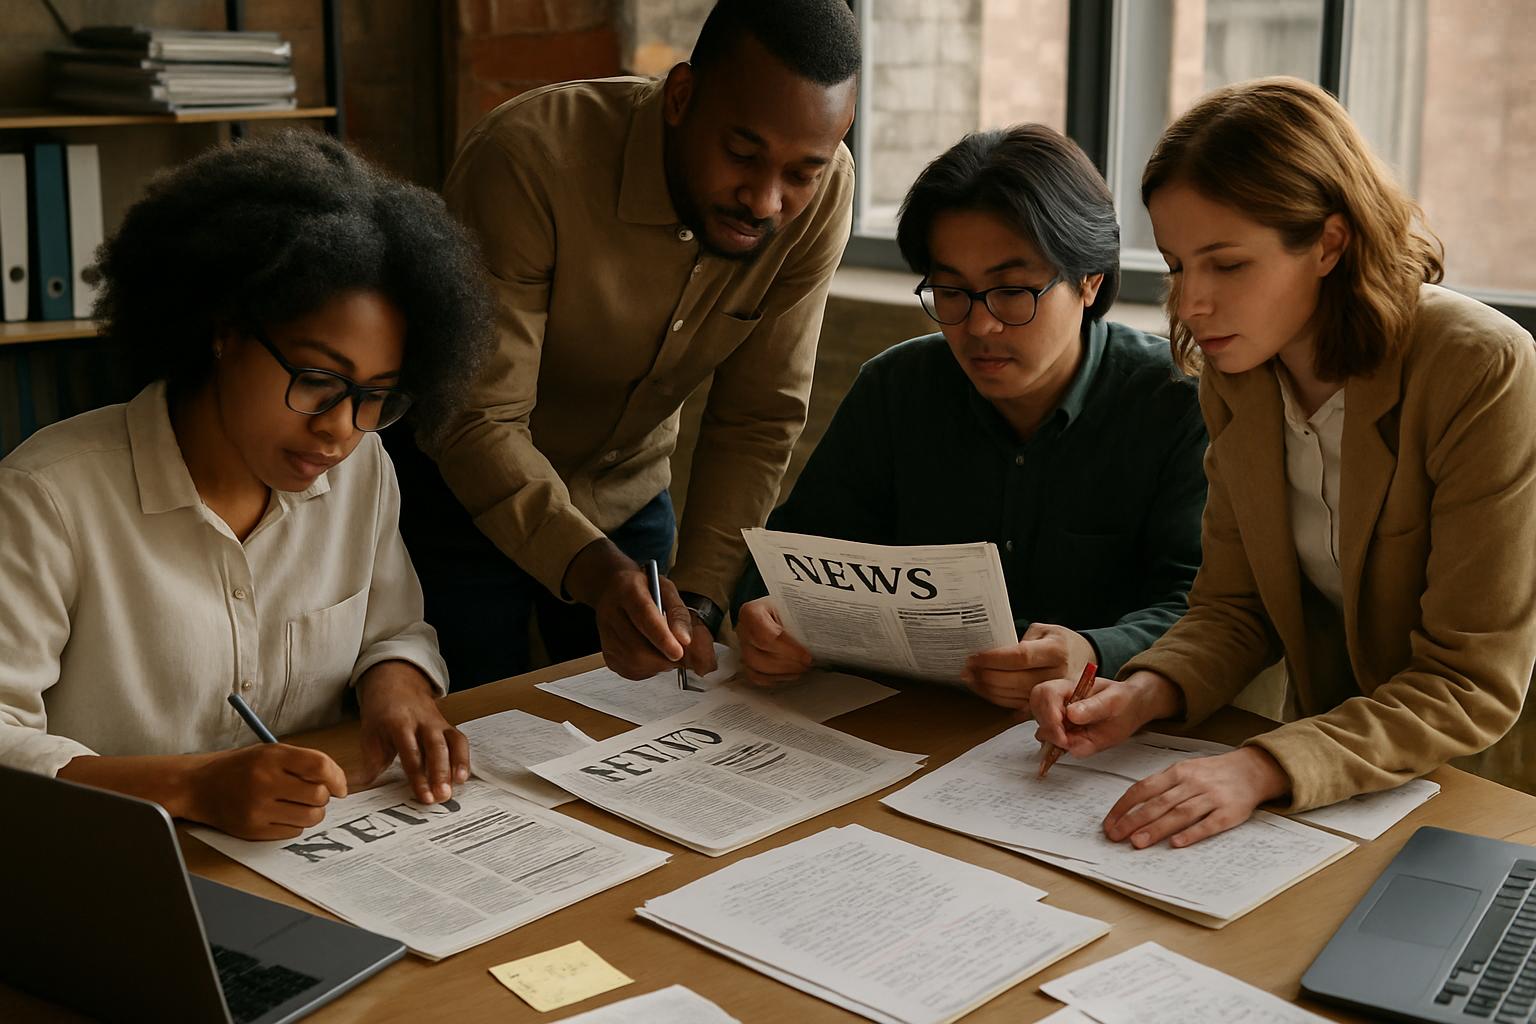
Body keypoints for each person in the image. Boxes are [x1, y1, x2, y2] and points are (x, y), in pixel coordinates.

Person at [1031, 76, 1536, 850]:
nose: (1192, 303)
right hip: (1319, 780)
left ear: (1330, 242)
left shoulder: (1481, 368)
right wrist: (1143, 691)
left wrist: (1259, 768)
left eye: (1227, 265)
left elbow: (1469, 682)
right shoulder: (1239, 374)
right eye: (1174, 265)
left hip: (1463, 784)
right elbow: (1235, 607)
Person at [0, 131, 496, 840]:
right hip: (108, 864)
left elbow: (391, 628)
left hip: (308, 856)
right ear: (224, 330)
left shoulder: (362, 468)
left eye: (375, 396)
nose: (340, 430)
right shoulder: (47, 499)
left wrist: (398, 686)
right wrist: (192, 785)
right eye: (318, 381)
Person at [386, 0, 860, 689]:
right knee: (473, 733)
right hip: (460, 493)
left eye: (800, 172)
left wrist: (699, 597)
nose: (764, 200)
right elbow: (478, 417)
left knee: (642, 722)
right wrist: (598, 572)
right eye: (742, 153)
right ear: (682, 98)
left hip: (628, 493)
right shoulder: (528, 159)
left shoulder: (824, 196)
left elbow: (757, 418)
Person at [732, 124, 1207, 701]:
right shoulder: (896, 388)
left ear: (1089, 281)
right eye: (951, 291)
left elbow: (1201, 604)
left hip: (1088, 734)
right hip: (905, 721)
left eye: (1012, 292)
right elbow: (798, 551)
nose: (980, 326)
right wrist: (759, 615)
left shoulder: (1177, 404)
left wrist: (1094, 651)